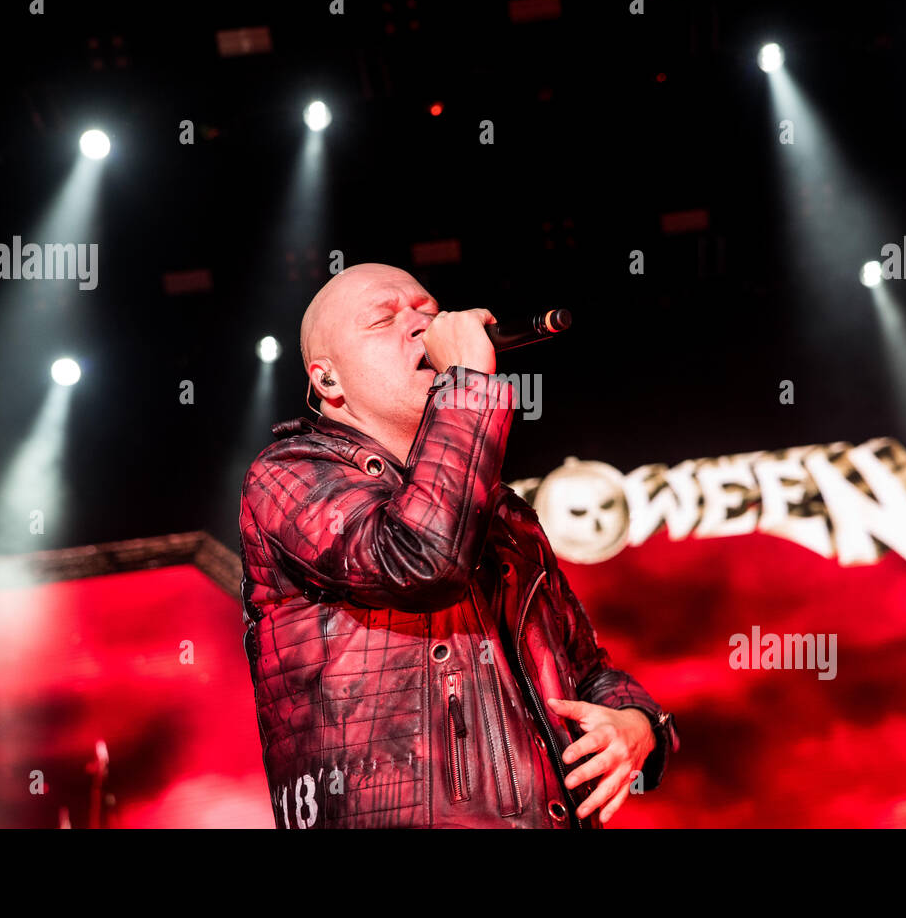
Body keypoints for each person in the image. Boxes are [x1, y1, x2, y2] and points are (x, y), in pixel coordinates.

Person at [238, 262, 679, 828]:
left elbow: (587, 668)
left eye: (428, 310)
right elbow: (421, 560)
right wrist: (469, 383)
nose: (424, 326)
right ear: (328, 381)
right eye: (384, 319)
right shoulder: (288, 474)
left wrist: (637, 723)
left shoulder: (502, 513)